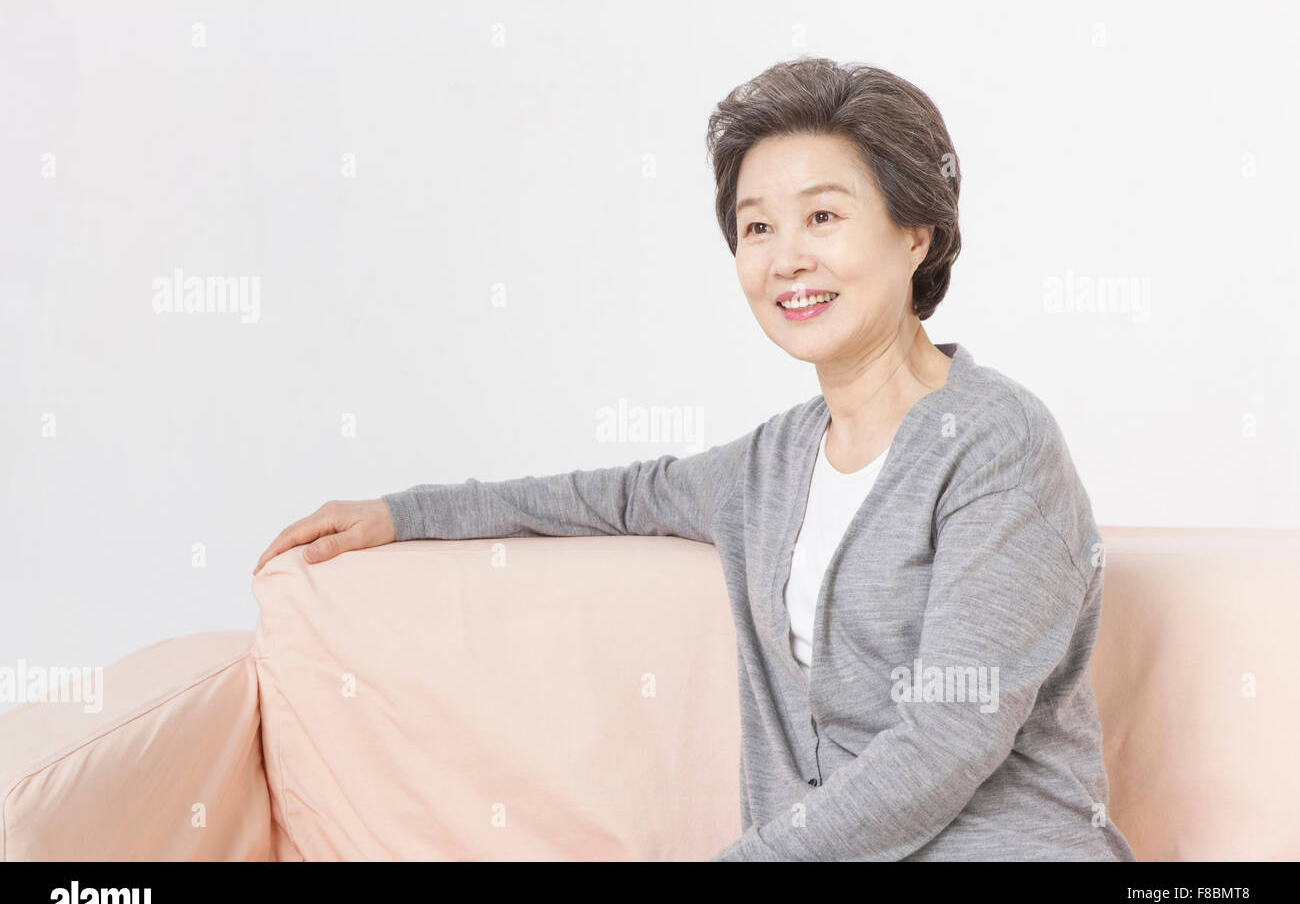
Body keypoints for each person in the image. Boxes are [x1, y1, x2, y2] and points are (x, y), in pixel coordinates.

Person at [254, 56, 1136, 861]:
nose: (786, 258)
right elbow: (612, 497)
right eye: (757, 228)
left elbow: (946, 741)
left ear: (916, 236)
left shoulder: (997, 445)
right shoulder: (769, 468)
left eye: (822, 216)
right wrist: (402, 514)